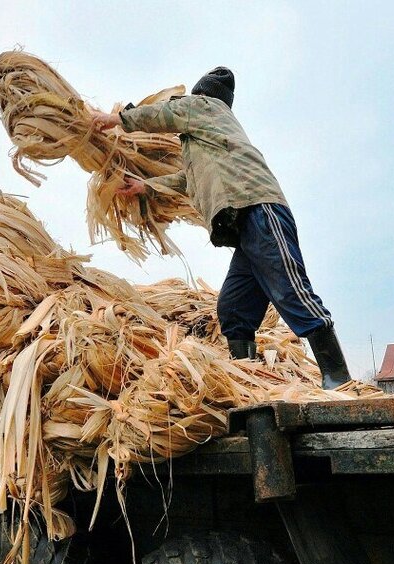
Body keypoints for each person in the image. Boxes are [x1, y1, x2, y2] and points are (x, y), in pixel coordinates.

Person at [91, 67, 351, 389]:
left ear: (202, 96)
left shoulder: (206, 108)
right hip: (244, 228)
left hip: (259, 209)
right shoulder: (205, 138)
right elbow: (187, 181)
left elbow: (166, 112)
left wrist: (118, 119)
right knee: (234, 309)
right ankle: (251, 381)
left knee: (290, 291)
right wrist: (146, 186)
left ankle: (337, 376)